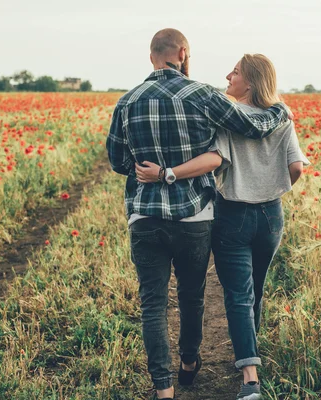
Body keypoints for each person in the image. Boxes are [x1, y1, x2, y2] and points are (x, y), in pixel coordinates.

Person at [106, 29, 292, 400]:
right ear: (183, 52)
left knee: (153, 303)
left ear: (152, 57)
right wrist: (279, 110)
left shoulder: (127, 102)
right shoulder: (203, 94)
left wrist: (150, 170)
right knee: (191, 296)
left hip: (144, 216)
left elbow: (117, 160)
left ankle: (163, 390)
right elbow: (253, 126)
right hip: (194, 217)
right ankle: (190, 362)